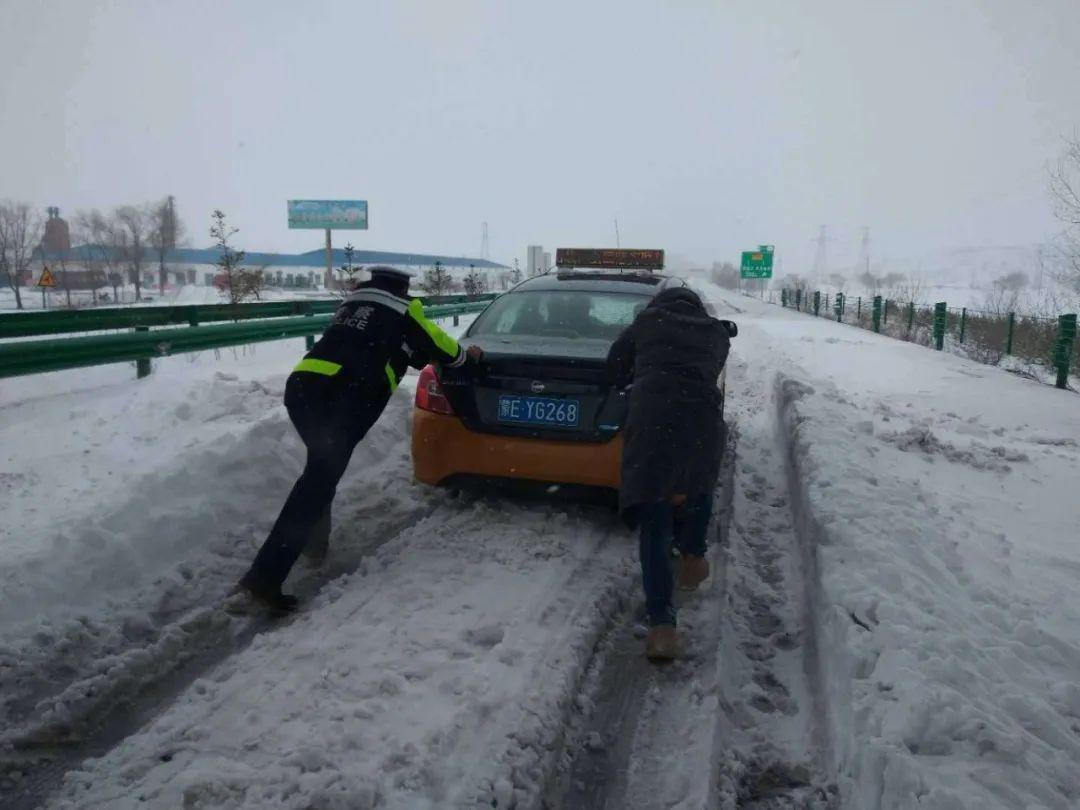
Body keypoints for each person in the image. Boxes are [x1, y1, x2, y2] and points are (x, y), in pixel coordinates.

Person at [239, 266, 483, 612]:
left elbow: (386, 346)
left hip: (303, 389)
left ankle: (312, 544)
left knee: (319, 474)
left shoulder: (354, 303)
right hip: (346, 396)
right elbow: (442, 346)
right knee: (318, 480)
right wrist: (466, 358)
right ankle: (264, 579)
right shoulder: (402, 307)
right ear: (403, 287)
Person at [607, 283, 733, 660]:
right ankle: (694, 554)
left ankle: (662, 624)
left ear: (657, 304)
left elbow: (614, 366)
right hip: (701, 422)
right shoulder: (715, 333)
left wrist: (632, 380)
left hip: (652, 421)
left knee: (655, 514)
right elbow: (707, 369)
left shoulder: (646, 323)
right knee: (697, 483)